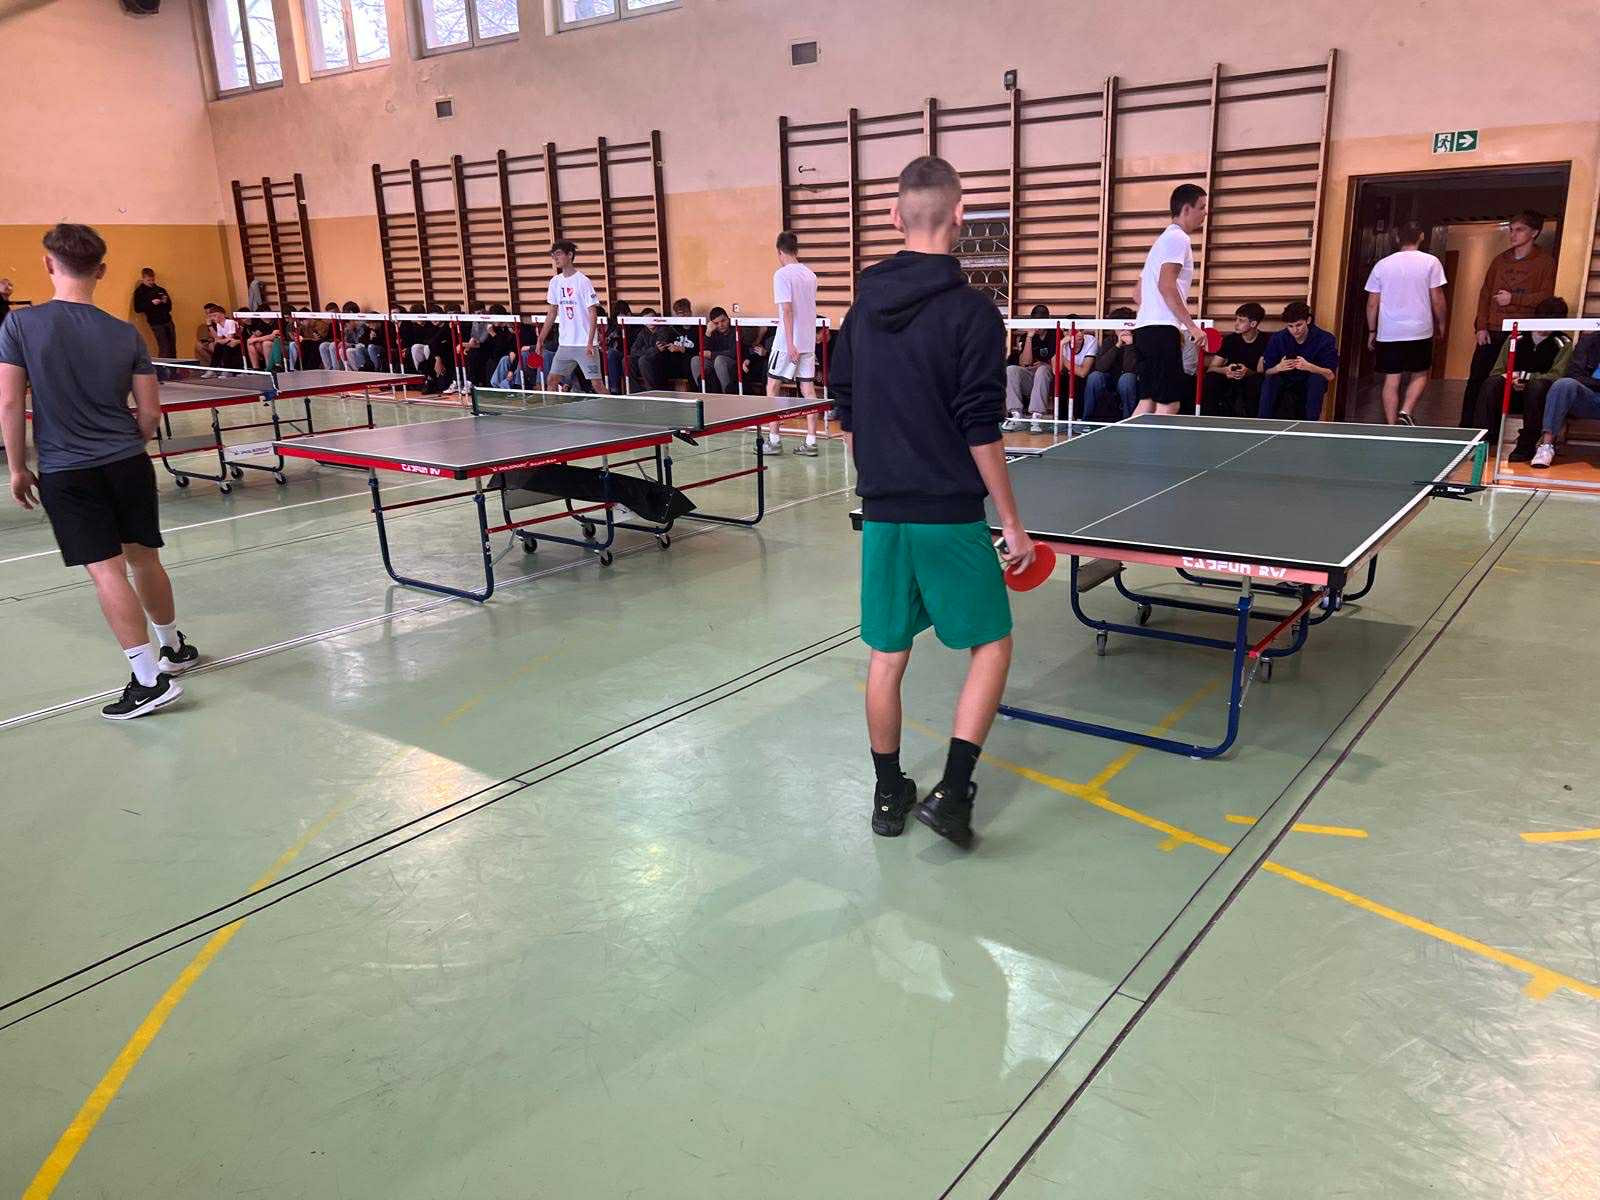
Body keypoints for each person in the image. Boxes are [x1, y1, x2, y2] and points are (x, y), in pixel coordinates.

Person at [831, 155, 1036, 849]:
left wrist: (880, 472)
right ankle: (953, 793)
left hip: (883, 511)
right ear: (961, 215)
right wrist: (1012, 523)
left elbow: (846, 409)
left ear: (894, 216)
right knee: (993, 644)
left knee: (887, 656)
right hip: (948, 514)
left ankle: (888, 795)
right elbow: (981, 426)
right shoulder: (972, 312)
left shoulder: (861, 308)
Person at [0, 224, 200, 720]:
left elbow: (10, 402)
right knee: (145, 560)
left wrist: (18, 467)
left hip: (68, 471)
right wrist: (129, 445)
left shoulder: (20, 326)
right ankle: (173, 648)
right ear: (102, 271)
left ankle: (148, 681)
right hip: (128, 464)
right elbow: (150, 414)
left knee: (106, 571)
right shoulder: (126, 332)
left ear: (49, 264)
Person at [1459, 210, 1557, 428]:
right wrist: (1481, 326)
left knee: (1508, 382)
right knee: (1477, 380)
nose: (1513, 235)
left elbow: (1545, 297)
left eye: (1520, 230)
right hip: (1492, 329)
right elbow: (1485, 294)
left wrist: (1514, 299)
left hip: (1520, 331)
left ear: (1534, 232)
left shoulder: (1544, 263)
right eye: (1511, 230)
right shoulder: (1500, 260)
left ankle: (1494, 430)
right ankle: (1467, 428)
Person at [1131, 184, 1209, 416]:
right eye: (1201, 207)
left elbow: (1137, 294)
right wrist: (1191, 326)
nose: (1205, 213)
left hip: (1144, 330)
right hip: (1160, 331)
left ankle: (1127, 441)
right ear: (1186, 209)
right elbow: (1166, 285)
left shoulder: (1160, 243)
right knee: (1169, 404)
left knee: (1147, 403)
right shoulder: (1178, 238)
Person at [1363, 221, 1447, 425]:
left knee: (1392, 379)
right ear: (1422, 236)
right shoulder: (1431, 262)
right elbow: (1437, 298)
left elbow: (1372, 303)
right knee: (1420, 373)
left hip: (1389, 331)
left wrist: (1372, 331)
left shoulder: (1382, 265)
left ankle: (1392, 425)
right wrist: (1442, 323)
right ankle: (1406, 410)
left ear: (1397, 237)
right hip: (1420, 330)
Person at [1483, 300, 1575, 459]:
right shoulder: (1516, 337)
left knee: (1537, 387)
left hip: (1540, 397)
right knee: (1491, 384)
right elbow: (1497, 371)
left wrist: (1526, 378)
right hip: (1512, 392)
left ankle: (1526, 445)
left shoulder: (1563, 343)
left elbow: (1557, 375)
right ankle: (1484, 439)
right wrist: (1511, 379)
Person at [766, 230, 823, 456]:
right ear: (796, 250)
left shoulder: (781, 275)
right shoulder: (810, 275)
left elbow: (787, 310)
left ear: (779, 252)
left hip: (787, 342)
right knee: (808, 389)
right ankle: (811, 441)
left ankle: (773, 440)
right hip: (808, 341)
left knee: (772, 386)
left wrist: (790, 344)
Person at [535, 241, 609, 395]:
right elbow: (552, 312)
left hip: (584, 344)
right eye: (553, 255)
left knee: (597, 385)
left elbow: (593, 313)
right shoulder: (555, 282)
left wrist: (590, 342)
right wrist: (540, 339)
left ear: (569, 255)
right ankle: (553, 410)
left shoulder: (583, 281)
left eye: (559, 254)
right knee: (552, 380)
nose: (555, 258)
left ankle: (614, 408)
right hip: (565, 345)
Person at [1528, 329, 1600, 469]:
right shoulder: (1589, 341)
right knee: (1564, 384)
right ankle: (1546, 446)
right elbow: (1574, 374)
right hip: (1590, 397)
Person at [1259, 301, 1339, 420]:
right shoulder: (1278, 338)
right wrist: (1278, 368)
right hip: (1285, 380)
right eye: (1290, 326)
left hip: (1309, 381)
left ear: (1308, 320)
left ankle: (1310, 424)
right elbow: (1266, 372)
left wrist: (1310, 367)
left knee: (1316, 380)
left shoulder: (1325, 339)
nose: (1295, 330)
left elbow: (1330, 375)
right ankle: (1263, 422)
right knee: (1271, 379)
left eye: (1299, 325)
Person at [1201, 303, 1267, 418]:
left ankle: (1253, 421)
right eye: (1236, 319)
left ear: (1253, 324)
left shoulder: (1266, 340)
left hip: (1251, 379)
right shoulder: (1230, 340)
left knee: (1257, 381)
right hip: (1229, 378)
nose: (1236, 324)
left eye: (1241, 321)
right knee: (1211, 378)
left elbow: (1262, 372)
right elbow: (1212, 368)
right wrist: (1226, 370)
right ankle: (1209, 418)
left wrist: (1247, 372)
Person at [1083, 307, 1139, 422]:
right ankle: (1087, 420)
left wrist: (1129, 345)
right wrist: (1117, 345)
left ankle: (1128, 421)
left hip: (1131, 382)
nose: (1121, 329)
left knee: (1127, 378)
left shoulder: (1138, 341)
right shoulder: (1109, 341)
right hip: (1111, 380)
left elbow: (1129, 369)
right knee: (1094, 377)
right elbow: (1100, 367)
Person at [131, 267, 177, 360]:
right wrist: (151, 303)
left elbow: (169, 308)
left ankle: (174, 368)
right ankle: (162, 368)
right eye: (148, 280)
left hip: (168, 321)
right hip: (156, 323)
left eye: (152, 280)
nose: (151, 282)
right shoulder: (140, 292)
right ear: (143, 278)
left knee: (172, 347)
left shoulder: (160, 290)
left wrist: (165, 302)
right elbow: (137, 309)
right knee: (164, 347)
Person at [692, 307, 738, 392]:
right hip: (713, 362)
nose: (720, 325)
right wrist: (708, 333)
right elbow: (703, 351)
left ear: (728, 319)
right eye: (716, 323)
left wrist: (712, 354)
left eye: (723, 321)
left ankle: (727, 394)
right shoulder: (712, 331)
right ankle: (702, 392)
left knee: (719, 360)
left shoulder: (735, 330)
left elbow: (734, 353)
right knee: (695, 360)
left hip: (732, 362)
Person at [206, 304, 243, 369]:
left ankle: (227, 368)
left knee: (228, 346)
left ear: (222, 315)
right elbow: (218, 338)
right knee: (218, 346)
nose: (213, 318)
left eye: (215, 315)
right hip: (229, 340)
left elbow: (230, 338)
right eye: (211, 316)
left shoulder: (230, 322)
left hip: (240, 341)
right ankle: (213, 368)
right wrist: (210, 326)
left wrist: (220, 341)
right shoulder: (218, 325)